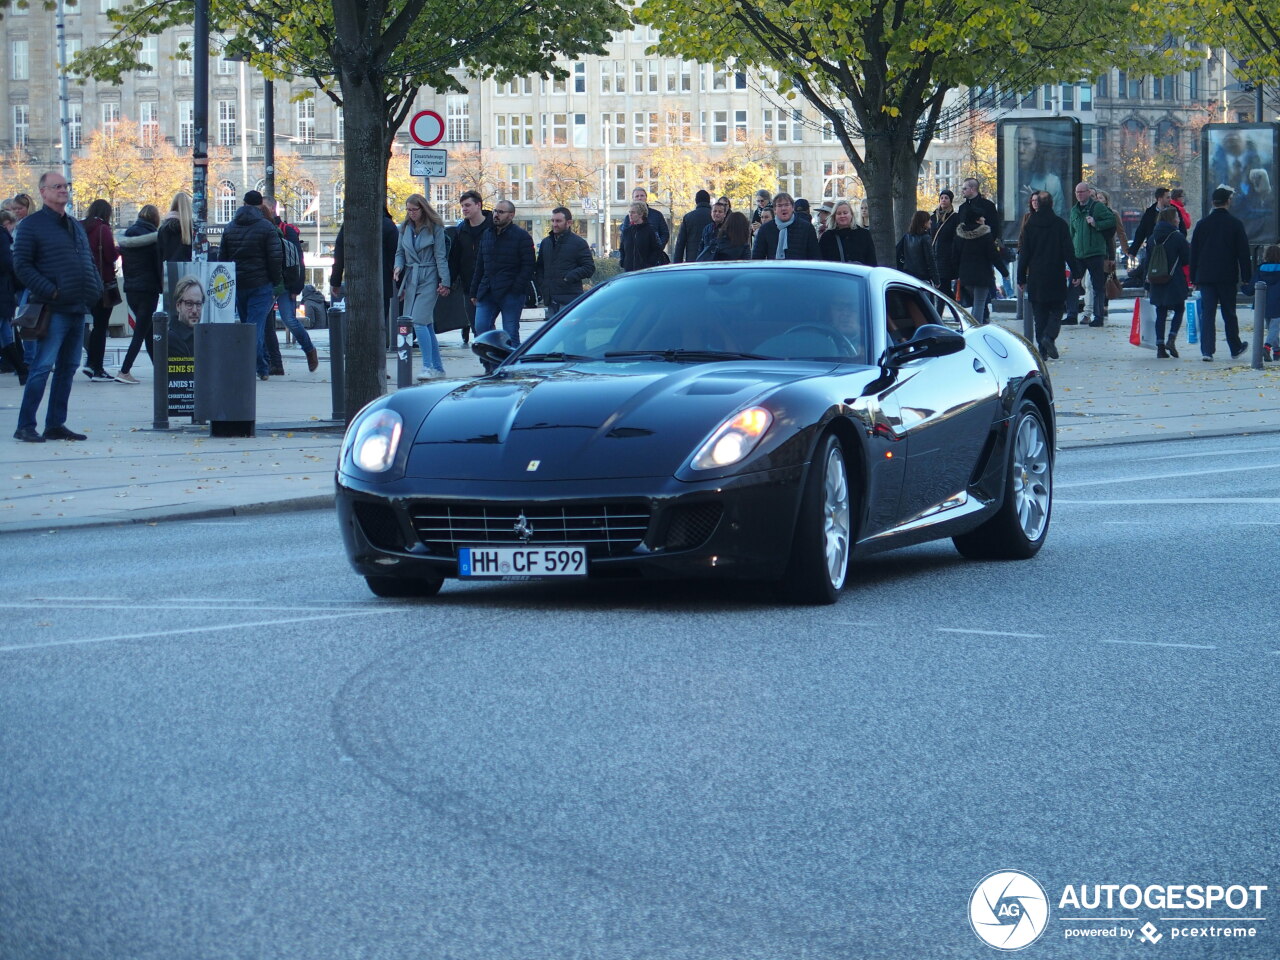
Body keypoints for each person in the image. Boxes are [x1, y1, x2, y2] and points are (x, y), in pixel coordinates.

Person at [12, 171, 103, 443]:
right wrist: (51, 290)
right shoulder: (31, 226)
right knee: (42, 367)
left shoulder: (74, 225)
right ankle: (26, 425)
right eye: (58, 186)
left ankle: (55, 424)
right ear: (43, 192)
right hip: (52, 308)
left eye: (66, 186)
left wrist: (95, 288)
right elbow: (22, 266)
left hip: (78, 306)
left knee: (68, 368)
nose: (64, 190)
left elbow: (87, 260)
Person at [217, 189, 283, 381]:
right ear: (260, 205)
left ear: (244, 203)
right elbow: (275, 258)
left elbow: (223, 259)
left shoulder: (230, 227)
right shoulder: (266, 227)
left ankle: (261, 367)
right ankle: (254, 367)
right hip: (261, 284)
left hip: (239, 284)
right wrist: (275, 281)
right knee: (255, 327)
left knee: (248, 326)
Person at [1189, 186, 1252, 362]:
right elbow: (1243, 254)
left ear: (1212, 203)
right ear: (1228, 202)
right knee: (1229, 313)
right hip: (1227, 276)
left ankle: (1207, 351)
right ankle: (1235, 347)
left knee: (1207, 313)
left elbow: (1194, 253)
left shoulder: (1202, 224)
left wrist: (1193, 277)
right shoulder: (1235, 224)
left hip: (1206, 276)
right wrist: (1246, 278)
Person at [393, 194, 451, 382]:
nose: (411, 214)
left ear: (422, 209)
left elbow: (440, 256)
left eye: (414, 210)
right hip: (411, 277)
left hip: (429, 276)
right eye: (408, 210)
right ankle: (437, 367)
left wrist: (445, 281)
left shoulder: (435, 228)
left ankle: (427, 366)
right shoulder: (404, 228)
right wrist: (398, 267)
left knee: (417, 321)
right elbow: (400, 252)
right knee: (426, 324)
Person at [1017, 191, 1079, 359]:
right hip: (1055, 274)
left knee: (1039, 314)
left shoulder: (1029, 226)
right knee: (1057, 309)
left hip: (1036, 275)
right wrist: (1076, 272)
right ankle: (1049, 337)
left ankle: (1042, 351)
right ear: (1052, 204)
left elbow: (1024, 253)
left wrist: (1021, 277)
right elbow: (1068, 251)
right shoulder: (1060, 224)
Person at [260, 195, 319, 373]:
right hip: (268, 281)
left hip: (285, 283)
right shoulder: (263, 228)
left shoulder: (286, 230)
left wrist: (296, 287)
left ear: (271, 209)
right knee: (266, 323)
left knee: (289, 320)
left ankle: (309, 348)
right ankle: (274, 362)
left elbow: (298, 261)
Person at [470, 199, 535, 358]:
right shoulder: (487, 234)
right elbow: (480, 264)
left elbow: (528, 266)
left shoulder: (521, 236)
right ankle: (489, 366)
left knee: (510, 333)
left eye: (501, 212)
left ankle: (513, 369)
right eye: (495, 211)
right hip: (487, 290)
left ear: (511, 215)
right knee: (481, 328)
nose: (496, 215)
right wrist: (474, 291)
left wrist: (516, 288)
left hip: (511, 292)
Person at [330, 206, 400, 333]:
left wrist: (336, 281)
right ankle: (377, 350)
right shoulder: (388, 225)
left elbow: (339, 253)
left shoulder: (350, 225)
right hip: (381, 284)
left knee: (357, 325)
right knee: (378, 325)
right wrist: (401, 285)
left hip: (356, 284)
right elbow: (396, 258)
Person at [115, 203, 164, 384]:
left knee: (148, 332)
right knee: (141, 332)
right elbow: (158, 265)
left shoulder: (127, 236)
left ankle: (160, 371)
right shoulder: (153, 239)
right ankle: (124, 371)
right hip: (148, 289)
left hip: (131, 289)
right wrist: (162, 287)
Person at [1064, 181, 1115, 327]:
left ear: (1088, 192)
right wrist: (1069, 250)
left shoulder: (1097, 207)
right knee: (1073, 284)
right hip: (1078, 254)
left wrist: (1096, 224)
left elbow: (1111, 221)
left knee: (1097, 285)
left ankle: (1098, 317)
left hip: (1095, 253)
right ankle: (1071, 315)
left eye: (1082, 192)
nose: (1079, 195)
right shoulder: (1074, 210)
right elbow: (1072, 232)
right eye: (1077, 192)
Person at [80, 198, 120, 382]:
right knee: (101, 325)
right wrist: (120, 250)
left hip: (85, 282)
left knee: (87, 324)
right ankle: (96, 367)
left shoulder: (81, 227)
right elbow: (110, 255)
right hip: (103, 281)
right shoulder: (103, 229)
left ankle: (90, 363)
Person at [1145, 206, 1191, 360]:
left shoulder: (1152, 238)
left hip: (1156, 280)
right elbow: (1186, 259)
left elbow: (1147, 260)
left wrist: (1147, 279)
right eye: (1177, 217)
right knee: (1179, 308)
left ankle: (1160, 347)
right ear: (1172, 219)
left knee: (1161, 312)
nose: (1179, 219)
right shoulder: (1177, 237)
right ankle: (1171, 339)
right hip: (1174, 279)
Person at [449, 191, 492, 345]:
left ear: (478, 205)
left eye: (467, 205)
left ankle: (495, 362)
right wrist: (448, 282)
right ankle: (487, 363)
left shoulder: (493, 227)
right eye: (462, 206)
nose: (464, 209)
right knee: (477, 328)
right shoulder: (461, 230)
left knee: (487, 327)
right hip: (469, 286)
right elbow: (454, 259)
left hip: (491, 285)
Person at [536, 206, 595, 320]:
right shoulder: (546, 242)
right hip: (550, 300)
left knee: (573, 335)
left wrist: (568, 277)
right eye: (552, 220)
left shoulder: (578, 243)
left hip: (569, 299)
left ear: (569, 223)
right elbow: (540, 267)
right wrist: (542, 284)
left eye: (558, 221)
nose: (554, 224)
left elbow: (589, 268)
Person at [952, 206, 1008, 323]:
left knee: (975, 303)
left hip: (965, 276)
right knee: (979, 304)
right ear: (977, 220)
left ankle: (974, 325)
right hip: (982, 276)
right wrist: (1004, 272)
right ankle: (975, 329)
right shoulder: (985, 235)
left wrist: (957, 273)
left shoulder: (959, 235)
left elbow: (955, 257)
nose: (984, 219)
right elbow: (994, 256)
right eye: (982, 217)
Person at [1016, 125, 1067, 217]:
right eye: (1017, 143)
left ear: (1037, 146)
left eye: (1027, 142)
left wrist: (1036, 203)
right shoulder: (1008, 178)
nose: (1021, 150)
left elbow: (1057, 217)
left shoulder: (1052, 183)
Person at [753, 192, 821, 261]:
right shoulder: (765, 229)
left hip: (799, 270)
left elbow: (815, 257)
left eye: (787, 205)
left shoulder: (807, 228)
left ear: (792, 208)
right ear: (774, 210)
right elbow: (757, 258)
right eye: (779, 205)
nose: (783, 208)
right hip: (774, 270)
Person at [0, 208, 25, 384]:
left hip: (4, 291)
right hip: (3, 291)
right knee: (6, 334)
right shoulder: (3, 236)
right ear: (7, 223)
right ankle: (23, 371)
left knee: (6, 334)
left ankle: (22, 370)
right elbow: (7, 263)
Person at [817, 199, 874, 265]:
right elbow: (822, 262)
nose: (842, 216)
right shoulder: (827, 237)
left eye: (845, 213)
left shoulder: (864, 235)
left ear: (851, 214)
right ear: (834, 216)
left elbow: (871, 261)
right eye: (839, 213)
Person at [895, 210, 939, 288]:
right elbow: (930, 259)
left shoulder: (907, 236)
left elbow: (897, 252)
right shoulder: (925, 238)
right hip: (922, 277)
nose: (931, 222)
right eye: (928, 220)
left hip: (908, 275)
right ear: (924, 222)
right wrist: (936, 280)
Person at [1128, 187, 1171, 263]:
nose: (1170, 199)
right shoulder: (1150, 213)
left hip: (1170, 248)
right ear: (1160, 198)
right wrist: (1133, 251)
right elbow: (1141, 231)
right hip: (1153, 248)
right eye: (1167, 197)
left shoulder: (1174, 211)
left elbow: (1181, 229)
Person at [620, 186, 669, 254]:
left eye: (642, 195)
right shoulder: (628, 218)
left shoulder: (657, 215)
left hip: (653, 255)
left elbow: (665, 233)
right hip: (634, 256)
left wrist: (659, 248)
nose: (639, 198)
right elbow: (623, 237)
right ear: (633, 199)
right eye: (637, 196)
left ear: (646, 197)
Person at [620, 201, 666, 271]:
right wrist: (623, 262)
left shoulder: (650, 230)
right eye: (629, 212)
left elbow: (657, 250)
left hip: (644, 272)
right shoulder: (627, 232)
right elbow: (622, 249)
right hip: (629, 272)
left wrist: (649, 264)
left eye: (633, 212)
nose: (630, 215)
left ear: (641, 214)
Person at [167, 274, 205, 358]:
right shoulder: (171, 340)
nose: (195, 310)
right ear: (178, 306)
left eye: (198, 304)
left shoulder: (204, 335)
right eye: (189, 304)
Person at [1253, 244, 1280, 362]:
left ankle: (1277, 351)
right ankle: (1267, 347)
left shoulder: (1260, 268)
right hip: (1278, 302)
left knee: (1271, 327)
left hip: (1262, 303)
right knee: (1274, 327)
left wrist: (1244, 288)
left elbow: (1252, 286)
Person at [931, 189, 959, 296]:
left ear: (950, 201)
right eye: (941, 198)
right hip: (934, 257)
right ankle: (954, 309)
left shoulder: (955, 218)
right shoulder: (933, 217)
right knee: (942, 289)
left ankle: (938, 312)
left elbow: (956, 238)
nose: (943, 200)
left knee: (943, 287)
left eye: (946, 198)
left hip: (946, 258)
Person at [672, 190, 713, 263]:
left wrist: (677, 263)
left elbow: (680, 243)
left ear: (696, 201)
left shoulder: (688, 217)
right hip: (711, 259)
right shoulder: (715, 217)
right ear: (709, 201)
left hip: (693, 259)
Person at [157, 192, 194, 264]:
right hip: (188, 271)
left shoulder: (163, 228)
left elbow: (159, 255)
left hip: (168, 271)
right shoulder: (191, 229)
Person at [695, 197, 731, 261]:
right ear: (711, 213)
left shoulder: (728, 229)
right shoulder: (707, 229)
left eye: (720, 212)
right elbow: (701, 248)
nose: (717, 213)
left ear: (725, 214)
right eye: (715, 211)